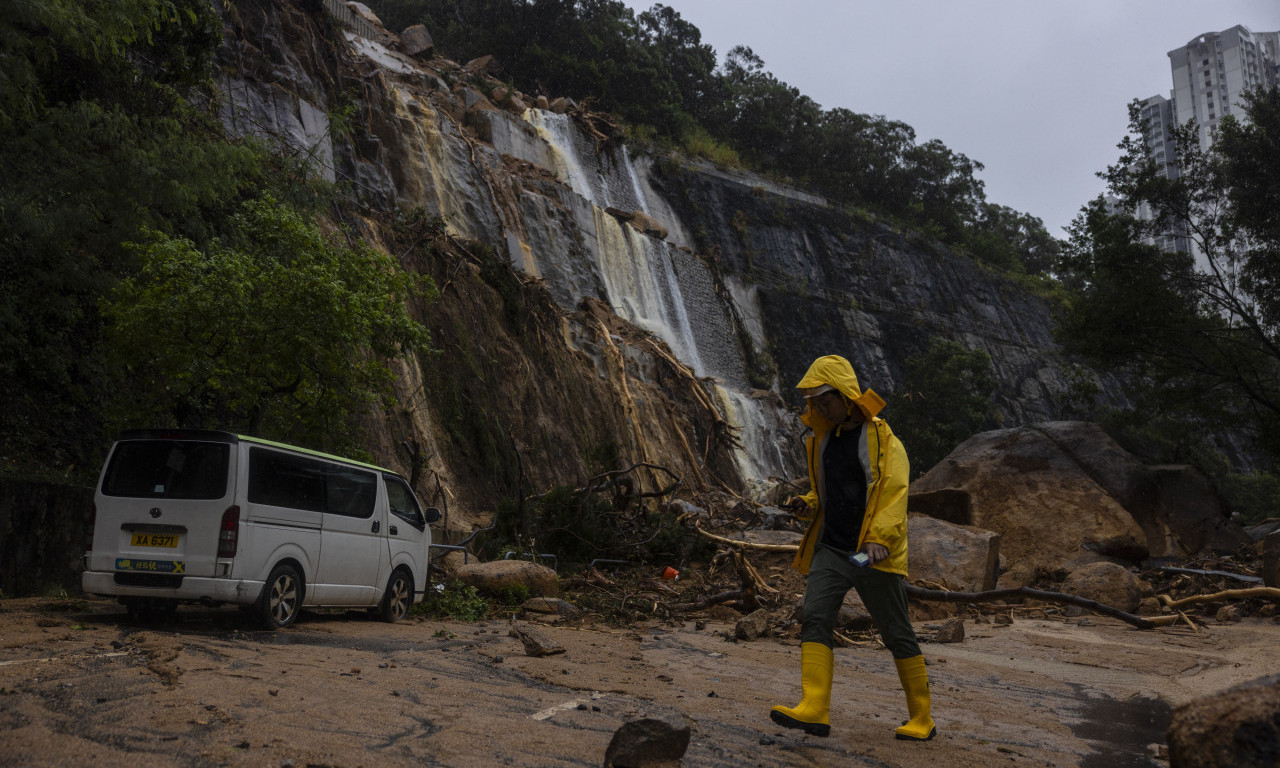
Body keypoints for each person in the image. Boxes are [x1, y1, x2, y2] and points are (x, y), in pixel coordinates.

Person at [769, 354, 935, 741]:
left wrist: (879, 539)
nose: (818, 408)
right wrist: (808, 504)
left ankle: (922, 717)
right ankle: (815, 708)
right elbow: (827, 492)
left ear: (846, 396)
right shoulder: (825, 439)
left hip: (869, 553)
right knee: (814, 614)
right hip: (832, 547)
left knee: (895, 631)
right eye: (814, 402)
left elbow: (893, 494)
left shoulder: (883, 440)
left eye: (825, 400)